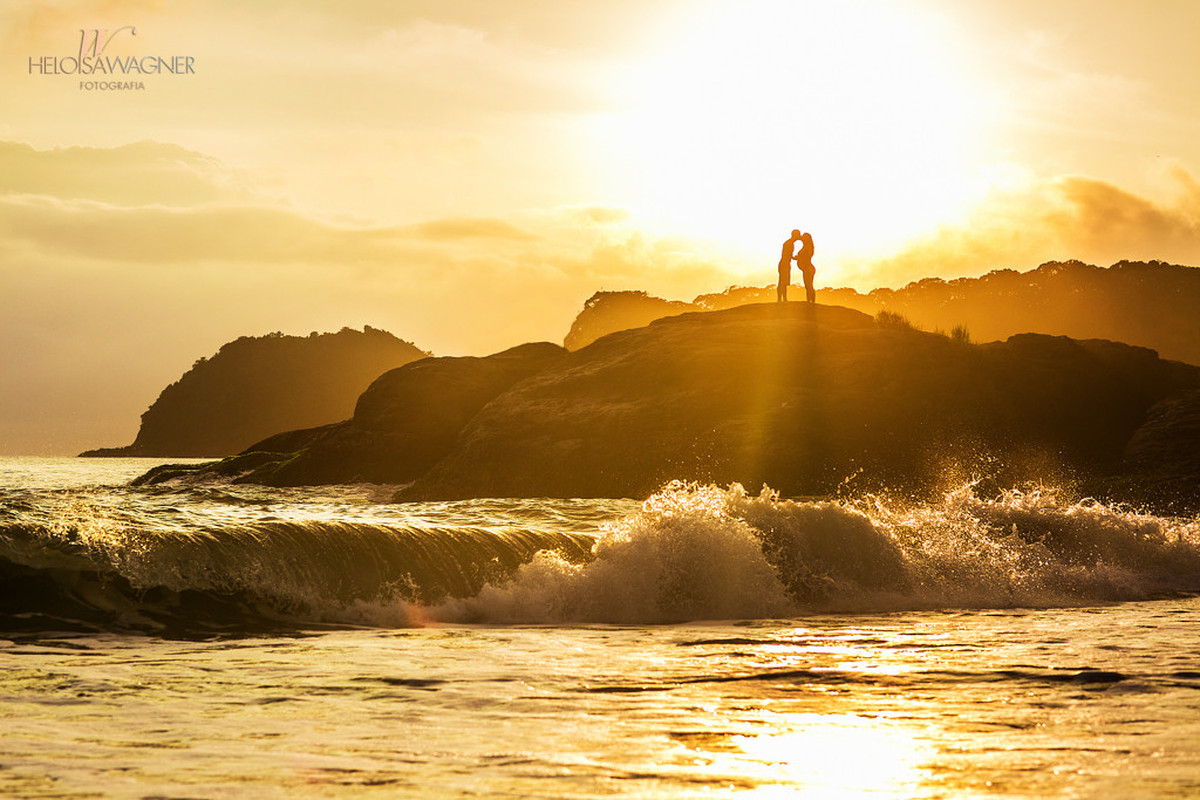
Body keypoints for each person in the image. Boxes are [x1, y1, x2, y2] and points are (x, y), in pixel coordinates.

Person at [777, 229, 802, 302]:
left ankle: (783, 299)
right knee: (782, 282)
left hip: (785, 263)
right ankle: (781, 299)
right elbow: (787, 255)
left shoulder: (789, 243)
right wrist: (796, 258)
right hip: (785, 263)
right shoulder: (789, 243)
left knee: (783, 282)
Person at [796, 232, 816, 303]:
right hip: (807, 268)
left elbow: (806, 257)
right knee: (808, 286)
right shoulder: (807, 246)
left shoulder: (807, 247)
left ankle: (811, 301)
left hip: (808, 268)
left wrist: (799, 257)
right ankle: (810, 301)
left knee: (809, 286)